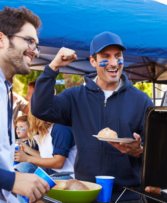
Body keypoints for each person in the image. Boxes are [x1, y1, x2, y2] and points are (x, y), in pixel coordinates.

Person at [31, 31, 154, 202]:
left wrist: (141, 151)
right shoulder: (74, 97)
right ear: (92, 61)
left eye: (117, 56)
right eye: (105, 56)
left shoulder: (141, 100)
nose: (113, 63)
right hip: (85, 192)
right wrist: (53, 67)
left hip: (128, 195)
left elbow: (158, 151)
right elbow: (40, 109)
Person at [0, 6, 49, 203]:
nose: (34, 51)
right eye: (29, 41)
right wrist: (12, 180)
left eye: (36, 45)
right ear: (0, 39)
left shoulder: (4, 87)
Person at [15, 106, 76, 203]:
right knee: (22, 169)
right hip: (52, 172)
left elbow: (58, 163)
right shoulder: (47, 131)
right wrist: (28, 150)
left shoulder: (61, 128)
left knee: (28, 184)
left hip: (67, 176)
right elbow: (46, 158)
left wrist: (26, 158)